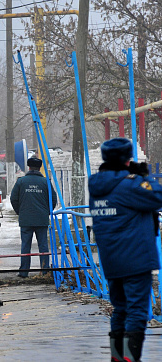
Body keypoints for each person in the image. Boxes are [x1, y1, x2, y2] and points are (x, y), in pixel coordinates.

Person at [88, 137, 162, 362]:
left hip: (111, 260)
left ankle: (118, 357)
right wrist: (143, 177)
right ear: (127, 159)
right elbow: (157, 196)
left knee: (120, 309)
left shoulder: (96, 184)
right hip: (136, 258)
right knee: (137, 311)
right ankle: (130, 359)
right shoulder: (130, 184)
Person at [10, 157, 57, 278]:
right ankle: (45, 271)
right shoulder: (45, 182)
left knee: (25, 245)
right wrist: (46, 211)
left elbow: (13, 198)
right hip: (41, 219)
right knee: (43, 245)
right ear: (39, 168)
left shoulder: (21, 181)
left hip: (26, 219)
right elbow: (53, 199)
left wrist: (20, 212)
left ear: (29, 167)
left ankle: (24, 272)